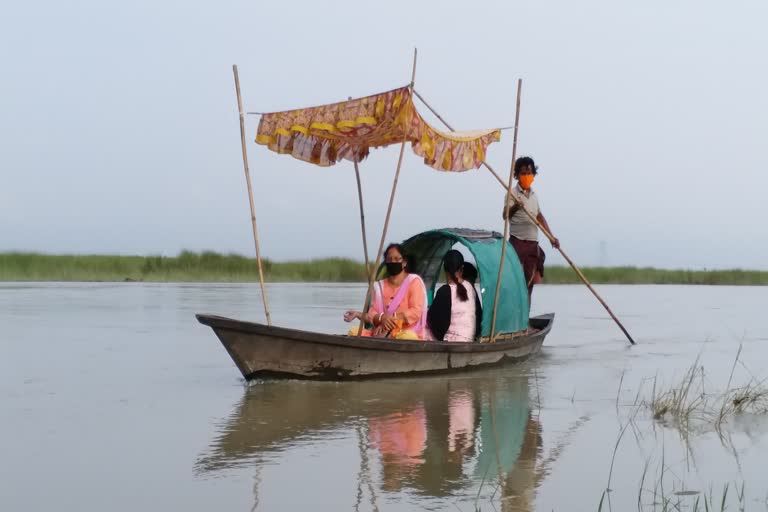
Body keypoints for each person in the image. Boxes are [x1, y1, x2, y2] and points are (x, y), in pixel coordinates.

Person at [502, 156, 559, 304]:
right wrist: (516, 206)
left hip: (532, 244)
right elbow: (505, 215)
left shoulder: (534, 196)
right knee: (517, 282)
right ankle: (514, 317)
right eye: (523, 173)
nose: (526, 176)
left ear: (533, 174)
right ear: (517, 175)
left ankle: (524, 320)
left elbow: (539, 216)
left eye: (529, 172)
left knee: (529, 283)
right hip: (518, 243)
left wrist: (551, 237)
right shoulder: (512, 194)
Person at [343, 243, 427, 340]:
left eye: (396, 259)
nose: (392, 262)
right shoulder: (380, 286)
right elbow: (372, 313)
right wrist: (382, 319)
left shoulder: (414, 282)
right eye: (389, 259)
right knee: (353, 332)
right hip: (381, 332)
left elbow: (415, 312)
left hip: (404, 332)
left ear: (404, 262)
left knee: (407, 337)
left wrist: (391, 320)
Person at [426, 250, 482, 342]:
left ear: (445, 269)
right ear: (462, 268)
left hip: (451, 343)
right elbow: (478, 317)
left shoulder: (445, 291)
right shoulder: (471, 287)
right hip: (470, 341)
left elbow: (438, 325)